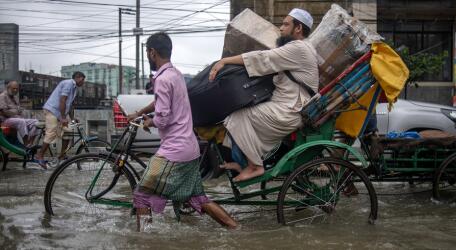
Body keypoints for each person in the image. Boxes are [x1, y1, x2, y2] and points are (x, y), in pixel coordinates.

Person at [127, 32, 237, 231]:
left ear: (152, 52)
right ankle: (234, 227)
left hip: (175, 150)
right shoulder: (175, 74)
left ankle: (143, 241)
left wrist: (149, 122)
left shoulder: (161, 79)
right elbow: (161, 102)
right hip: (189, 147)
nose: (147, 56)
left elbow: (163, 118)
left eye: (147, 52)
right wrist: (141, 111)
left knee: (141, 195)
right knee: (199, 198)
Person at [209, 8, 320, 182]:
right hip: (287, 107)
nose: (281, 28)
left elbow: (262, 58)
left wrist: (224, 61)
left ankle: (255, 166)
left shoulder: (298, 48)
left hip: (290, 110)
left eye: (285, 24)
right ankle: (244, 162)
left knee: (238, 117)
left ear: (298, 28)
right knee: (239, 117)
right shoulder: (303, 48)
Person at [34, 71, 85, 168]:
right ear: (78, 77)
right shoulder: (68, 84)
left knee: (69, 131)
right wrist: (62, 118)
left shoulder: (75, 88)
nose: (83, 82)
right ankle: (39, 155)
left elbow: (69, 105)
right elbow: (63, 100)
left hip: (60, 113)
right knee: (51, 132)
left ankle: (62, 155)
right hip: (52, 111)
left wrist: (72, 118)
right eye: (83, 79)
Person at [0, 80, 40, 147]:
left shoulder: (15, 98)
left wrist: (26, 114)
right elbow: (3, 111)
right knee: (21, 121)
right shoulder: (2, 96)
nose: (15, 90)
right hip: (5, 120)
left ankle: (30, 144)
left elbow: (20, 110)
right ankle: (26, 144)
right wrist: (15, 116)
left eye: (17, 89)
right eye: (13, 88)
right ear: (8, 88)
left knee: (36, 122)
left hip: (16, 119)